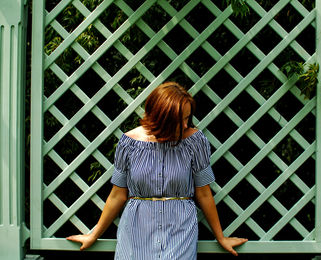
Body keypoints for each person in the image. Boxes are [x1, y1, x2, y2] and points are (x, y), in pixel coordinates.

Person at [67, 81, 248, 259]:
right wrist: (93, 235)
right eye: (180, 120)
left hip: (180, 232)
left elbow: (204, 193)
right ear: (162, 117)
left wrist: (220, 237)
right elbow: (117, 195)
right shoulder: (128, 143)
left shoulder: (195, 141)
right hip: (135, 232)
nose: (186, 125)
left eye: (187, 117)